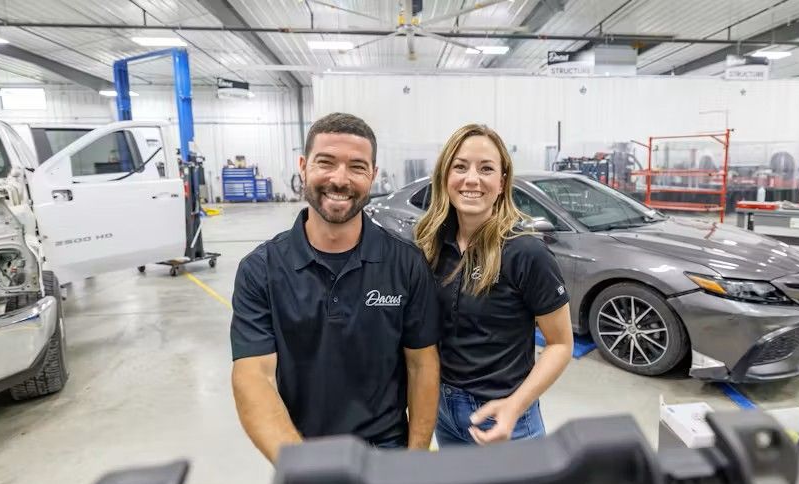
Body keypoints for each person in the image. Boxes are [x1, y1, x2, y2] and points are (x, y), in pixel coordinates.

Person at [230, 113, 441, 462]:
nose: (339, 179)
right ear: (303, 165)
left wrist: (414, 459)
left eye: (357, 167)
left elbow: (422, 365)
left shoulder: (405, 264)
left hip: (385, 451)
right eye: (325, 162)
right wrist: (304, 469)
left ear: (372, 175)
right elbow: (254, 377)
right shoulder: (261, 270)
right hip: (299, 447)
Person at [414, 124, 574, 446]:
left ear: (501, 183)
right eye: (460, 167)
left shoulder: (525, 252)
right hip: (442, 410)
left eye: (486, 168)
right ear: (445, 177)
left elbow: (560, 344)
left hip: (507, 418)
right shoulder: (430, 245)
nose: (472, 179)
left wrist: (516, 406)